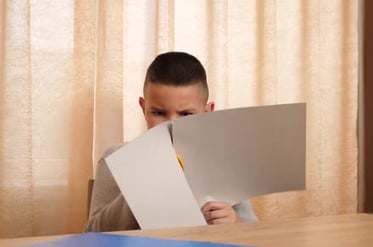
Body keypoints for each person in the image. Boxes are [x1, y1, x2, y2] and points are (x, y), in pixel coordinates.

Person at [84, 51, 258, 232]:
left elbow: (255, 233)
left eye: (186, 114)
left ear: (208, 112)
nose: (171, 125)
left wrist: (234, 221)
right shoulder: (116, 158)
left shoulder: (221, 164)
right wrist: (138, 190)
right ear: (143, 108)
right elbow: (92, 235)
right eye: (158, 113)